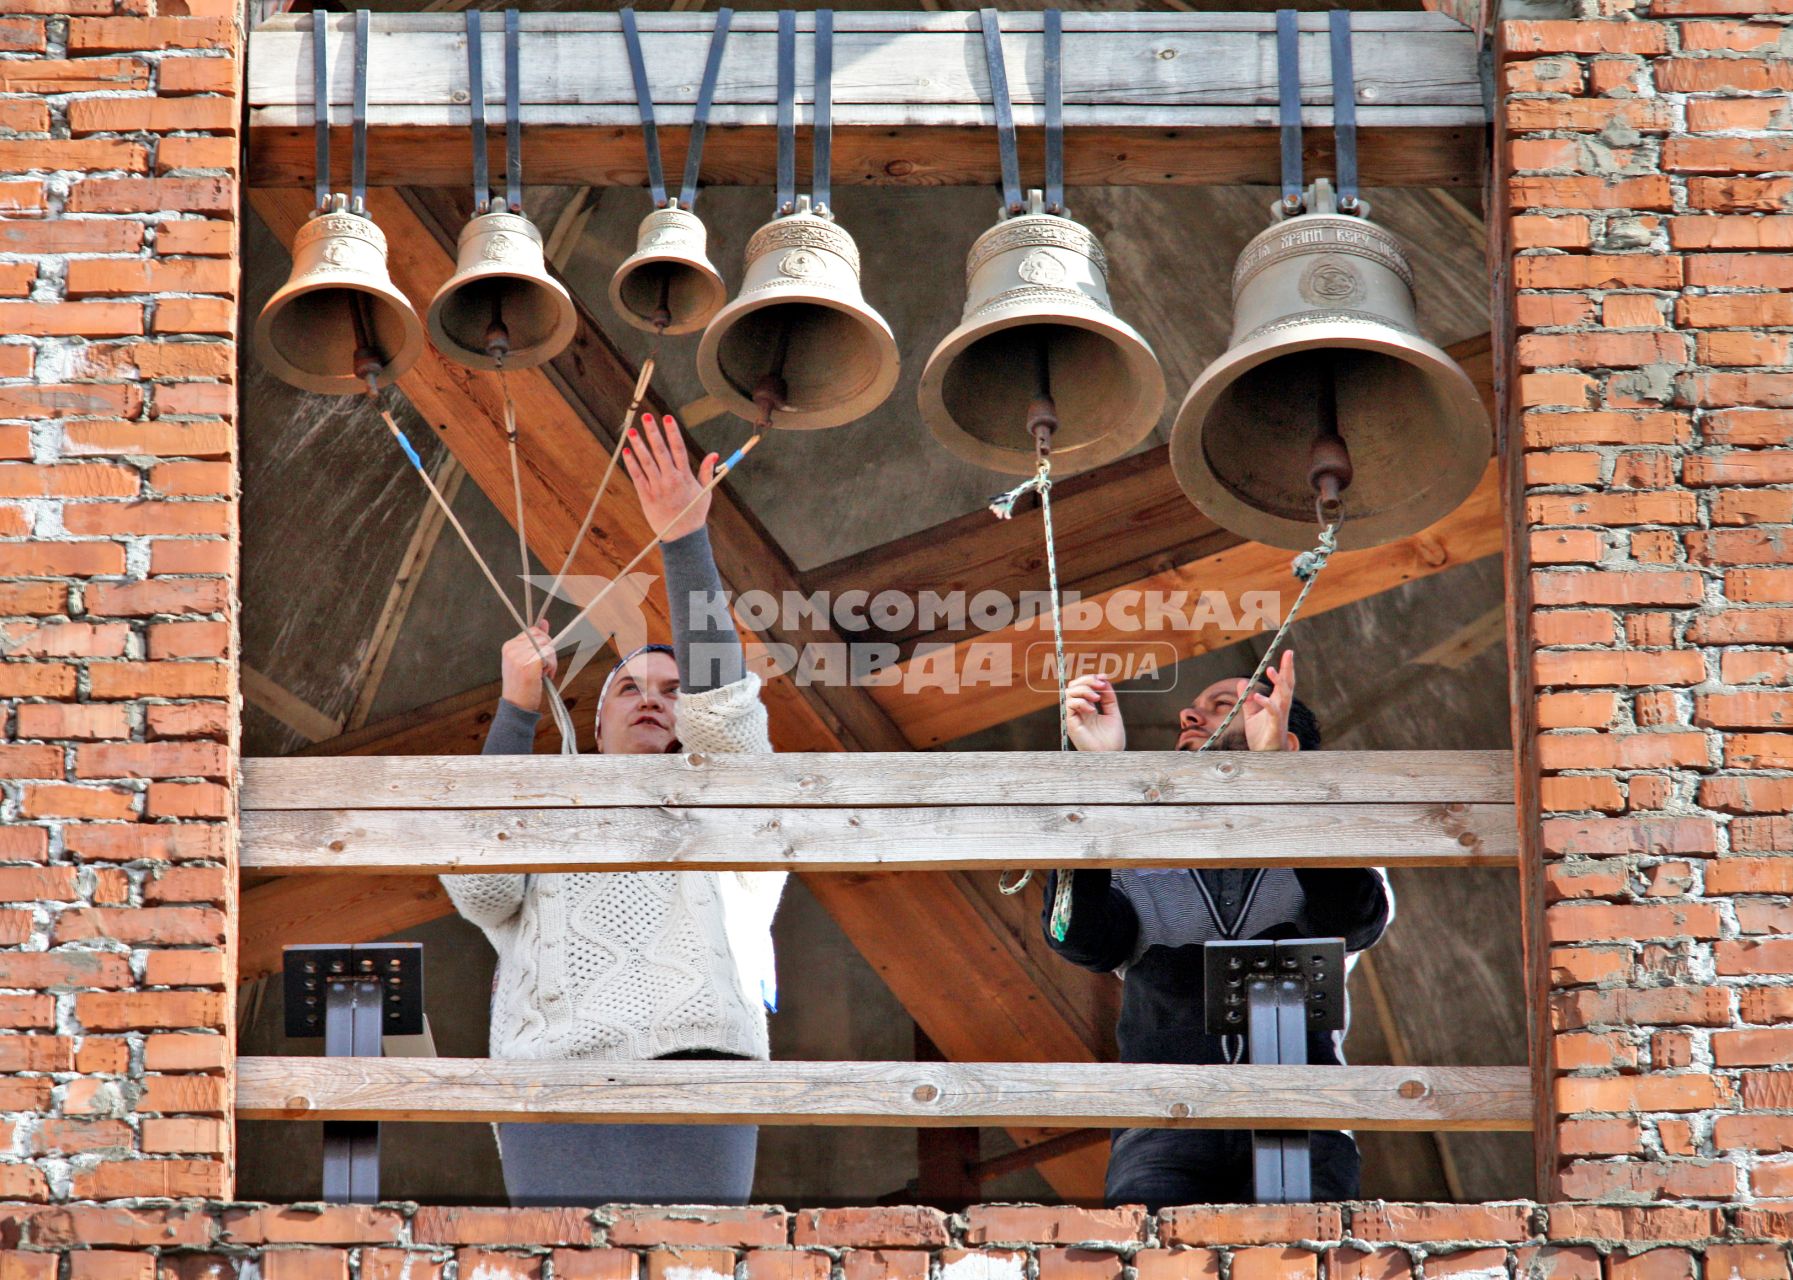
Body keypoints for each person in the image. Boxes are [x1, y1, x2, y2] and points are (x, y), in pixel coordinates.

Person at [441, 411, 784, 1207]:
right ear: (591, 728)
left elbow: (727, 717)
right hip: (548, 1075)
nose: (654, 700)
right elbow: (482, 890)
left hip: (701, 1065)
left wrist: (684, 544)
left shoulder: (733, 802)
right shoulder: (552, 808)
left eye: (674, 689)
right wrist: (515, 710)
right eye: (628, 687)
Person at [1042, 650, 1393, 1208]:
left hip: (1302, 1115)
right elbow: (1076, 935)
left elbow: (1352, 917)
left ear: (1283, 738)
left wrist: (1277, 776)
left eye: (1222, 705)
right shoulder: (1137, 854)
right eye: (1192, 708)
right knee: (1155, 1264)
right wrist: (1101, 777)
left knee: (1301, 1263)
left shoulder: (1330, 840)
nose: (1187, 714)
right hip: (1162, 1122)